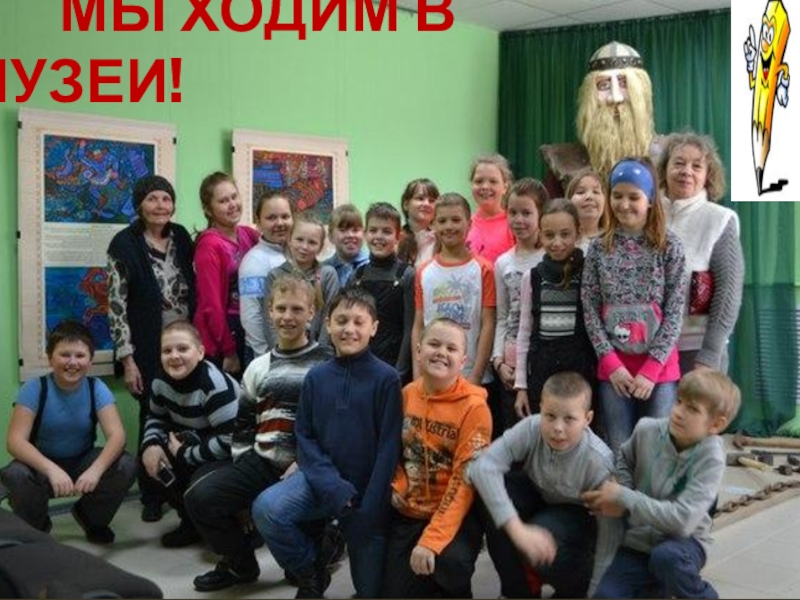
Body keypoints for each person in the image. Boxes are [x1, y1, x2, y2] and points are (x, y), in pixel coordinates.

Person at [252, 288, 403, 599]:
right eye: (341, 321)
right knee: (267, 509)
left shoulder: (387, 379)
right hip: (321, 485)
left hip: (367, 496)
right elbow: (305, 436)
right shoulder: (316, 377)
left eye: (359, 322)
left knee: (371, 592)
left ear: (374, 328)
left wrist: (370, 508)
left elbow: (388, 448)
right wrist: (331, 486)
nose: (349, 329)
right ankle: (311, 569)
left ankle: (340, 536)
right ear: (328, 325)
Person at [185, 274, 332, 592]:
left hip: (306, 467)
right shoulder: (258, 366)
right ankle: (240, 565)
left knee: (292, 553)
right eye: (281, 308)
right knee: (200, 498)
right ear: (270, 311)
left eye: (297, 309)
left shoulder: (327, 364)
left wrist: (305, 462)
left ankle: (315, 557)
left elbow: (333, 429)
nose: (288, 316)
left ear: (311, 313)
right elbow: (243, 427)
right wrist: (243, 478)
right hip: (262, 461)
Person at [585, 369, 742, 599]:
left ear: (716, 424)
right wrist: (623, 489)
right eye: (679, 401)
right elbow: (624, 460)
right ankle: (656, 588)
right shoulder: (646, 429)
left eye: (692, 409)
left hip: (684, 544)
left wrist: (624, 497)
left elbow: (681, 522)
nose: (678, 413)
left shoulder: (712, 458)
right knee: (605, 596)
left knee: (667, 558)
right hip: (638, 542)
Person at [469, 372, 622, 598]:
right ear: (540, 409)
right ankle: (518, 592)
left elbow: (611, 533)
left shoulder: (599, 462)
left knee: (543, 535)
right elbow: (482, 467)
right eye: (550, 416)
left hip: (579, 515)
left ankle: (574, 589)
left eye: (569, 419)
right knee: (492, 494)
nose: (557, 428)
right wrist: (517, 530)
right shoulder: (531, 427)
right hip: (540, 493)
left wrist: (597, 587)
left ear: (587, 419)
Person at [582, 158, 688, 454]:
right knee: (621, 449)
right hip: (614, 371)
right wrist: (611, 364)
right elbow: (590, 308)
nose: (624, 204)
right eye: (617, 195)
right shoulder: (598, 248)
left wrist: (652, 368)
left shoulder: (670, 246)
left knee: (657, 451)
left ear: (650, 200)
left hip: (659, 370)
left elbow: (675, 311)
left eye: (634, 197)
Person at [107, 173, 195, 522]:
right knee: (152, 418)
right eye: (152, 198)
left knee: (187, 416)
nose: (161, 205)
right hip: (147, 348)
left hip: (186, 344)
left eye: (166, 198)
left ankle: (185, 490)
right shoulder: (123, 245)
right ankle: (152, 494)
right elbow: (116, 306)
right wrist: (127, 360)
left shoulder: (182, 237)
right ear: (139, 205)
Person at [383, 318, 492, 598]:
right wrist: (399, 483)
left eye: (451, 348)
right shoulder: (407, 394)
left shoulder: (475, 408)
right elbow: (394, 452)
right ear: (418, 351)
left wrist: (432, 540)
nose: (442, 352)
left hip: (456, 513)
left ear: (463, 361)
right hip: (410, 511)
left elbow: (465, 481)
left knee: (451, 564)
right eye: (434, 344)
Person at [1, 321, 135, 543]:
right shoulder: (34, 388)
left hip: (82, 461)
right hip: (41, 466)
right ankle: (37, 528)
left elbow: (118, 436)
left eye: (80, 356)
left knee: (126, 465)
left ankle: (92, 518)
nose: (72, 362)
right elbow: (15, 441)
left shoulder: (96, 388)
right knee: (14, 474)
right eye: (64, 355)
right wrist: (51, 469)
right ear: (50, 358)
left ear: (90, 361)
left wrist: (95, 471)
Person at [140, 320, 239, 548]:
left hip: (235, 454)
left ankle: (235, 529)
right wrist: (151, 445)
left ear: (200, 352)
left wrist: (185, 454)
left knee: (200, 484)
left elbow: (230, 441)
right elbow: (155, 417)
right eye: (167, 351)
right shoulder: (159, 381)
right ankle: (190, 522)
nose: (174, 356)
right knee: (151, 463)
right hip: (195, 444)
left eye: (183, 349)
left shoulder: (213, 384)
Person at [657, 132, 744, 374]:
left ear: (708, 175)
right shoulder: (649, 214)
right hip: (647, 349)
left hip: (698, 350)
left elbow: (728, 292)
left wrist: (710, 354)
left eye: (697, 166)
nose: (687, 171)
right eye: (679, 163)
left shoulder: (720, 219)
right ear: (664, 169)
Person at [514, 199, 597, 421]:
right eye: (549, 235)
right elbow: (524, 332)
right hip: (542, 370)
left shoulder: (589, 273)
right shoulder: (532, 277)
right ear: (540, 235)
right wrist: (521, 386)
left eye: (565, 234)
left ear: (578, 233)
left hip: (580, 369)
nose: (557, 242)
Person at [541, 41, 658, 196]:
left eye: (624, 84)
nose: (615, 98)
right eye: (603, 86)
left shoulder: (666, 162)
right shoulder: (564, 164)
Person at [412, 193, 496, 402]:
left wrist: (476, 376)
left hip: (471, 376)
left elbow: (488, 323)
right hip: (432, 376)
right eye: (442, 221)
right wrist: (417, 375)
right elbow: (419, 325)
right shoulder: (424, 272)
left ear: (469, 224)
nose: (449, 226)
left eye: (456, 220)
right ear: (433, 225)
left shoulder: (484, 269)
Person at [492, 178, 547, 432]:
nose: (518, 220)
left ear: (541, 214)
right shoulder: (503, 263)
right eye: (513, 213)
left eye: (526, 213)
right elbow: (502, 316)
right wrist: (498, 361)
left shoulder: (550, 257)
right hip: (511, 364)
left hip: (542, 357)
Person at [193, 171, 260, 379]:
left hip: (248, 324)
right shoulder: (209, 245)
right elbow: (210, 305)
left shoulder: (248, 234)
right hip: (223, 335)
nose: (232, 204)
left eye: (234, 196)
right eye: (223, 201)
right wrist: (229, 351)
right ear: (208, 209)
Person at [348, 202, 415, 384]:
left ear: (398, 236)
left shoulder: (407, 275)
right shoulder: (357, 276)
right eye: (373, 230)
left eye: (386, 231)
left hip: (395, 368)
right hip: (359, 367)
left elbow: (410, 328)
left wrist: (399, 372)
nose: (379, 236)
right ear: (365, 234)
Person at [264, 214, 339, 350]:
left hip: (318, 353)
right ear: (289, 240)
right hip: (284, 351)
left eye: (312, 242)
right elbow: (270, 320)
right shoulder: (275, 275)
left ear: (320, 247)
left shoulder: (327, 275)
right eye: (299, 239)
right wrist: (279, 352)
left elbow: (329, 316)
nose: (304, 247)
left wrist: (320, 353)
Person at [238, 191, 292, 361]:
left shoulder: (297, 254)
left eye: (285, 216)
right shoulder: (254, 261)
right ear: (258, 222)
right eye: (271, 218)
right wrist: (264, 358)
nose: (280, 223)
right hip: (265, 354)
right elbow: (251, 316)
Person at [466, 154, 515, 263]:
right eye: (479, 181)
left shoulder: (513, 224)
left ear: (505, 187)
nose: (485, 187)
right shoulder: (465, 224)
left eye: (493, 181)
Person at [397, 178, 440, 267]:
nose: (426, 204)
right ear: (406, 204)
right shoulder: (396, 238)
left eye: (431, 200)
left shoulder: (441, 240)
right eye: (420, 198)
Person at [323, 204, 369, 286]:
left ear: (364, 234)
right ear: (330, 236)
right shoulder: (323, 270)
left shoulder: (372, 266)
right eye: (343, 230)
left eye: (355, 230)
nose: (350, 235)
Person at [567, 167, 609, 250]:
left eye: (596, 192)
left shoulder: (615, 241)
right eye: (580, 192)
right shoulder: (560, 243)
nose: (589, 197)